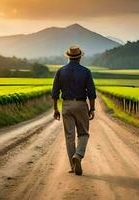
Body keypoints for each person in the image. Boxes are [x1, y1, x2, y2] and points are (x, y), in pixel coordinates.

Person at [51, 45, 96, 176]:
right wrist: (92, 108)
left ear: (68, 57)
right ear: (80, 57)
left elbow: (55, 92)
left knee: (69, 137)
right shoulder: (86, 72)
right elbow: (91, 93)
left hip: (66, 105)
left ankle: (73, 165)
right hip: (81, 104)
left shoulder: (60, 71)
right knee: (83, 134)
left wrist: (55, 108)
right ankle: (78, 155)